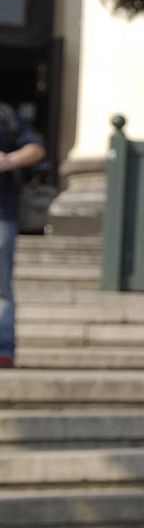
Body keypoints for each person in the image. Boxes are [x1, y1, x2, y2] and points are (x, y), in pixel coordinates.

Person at [0, 103, 45, 370]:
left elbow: (37, 148)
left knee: (1, 288)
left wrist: (8, 160)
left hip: (2, 212)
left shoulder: (6, 115)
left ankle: (3, 350)